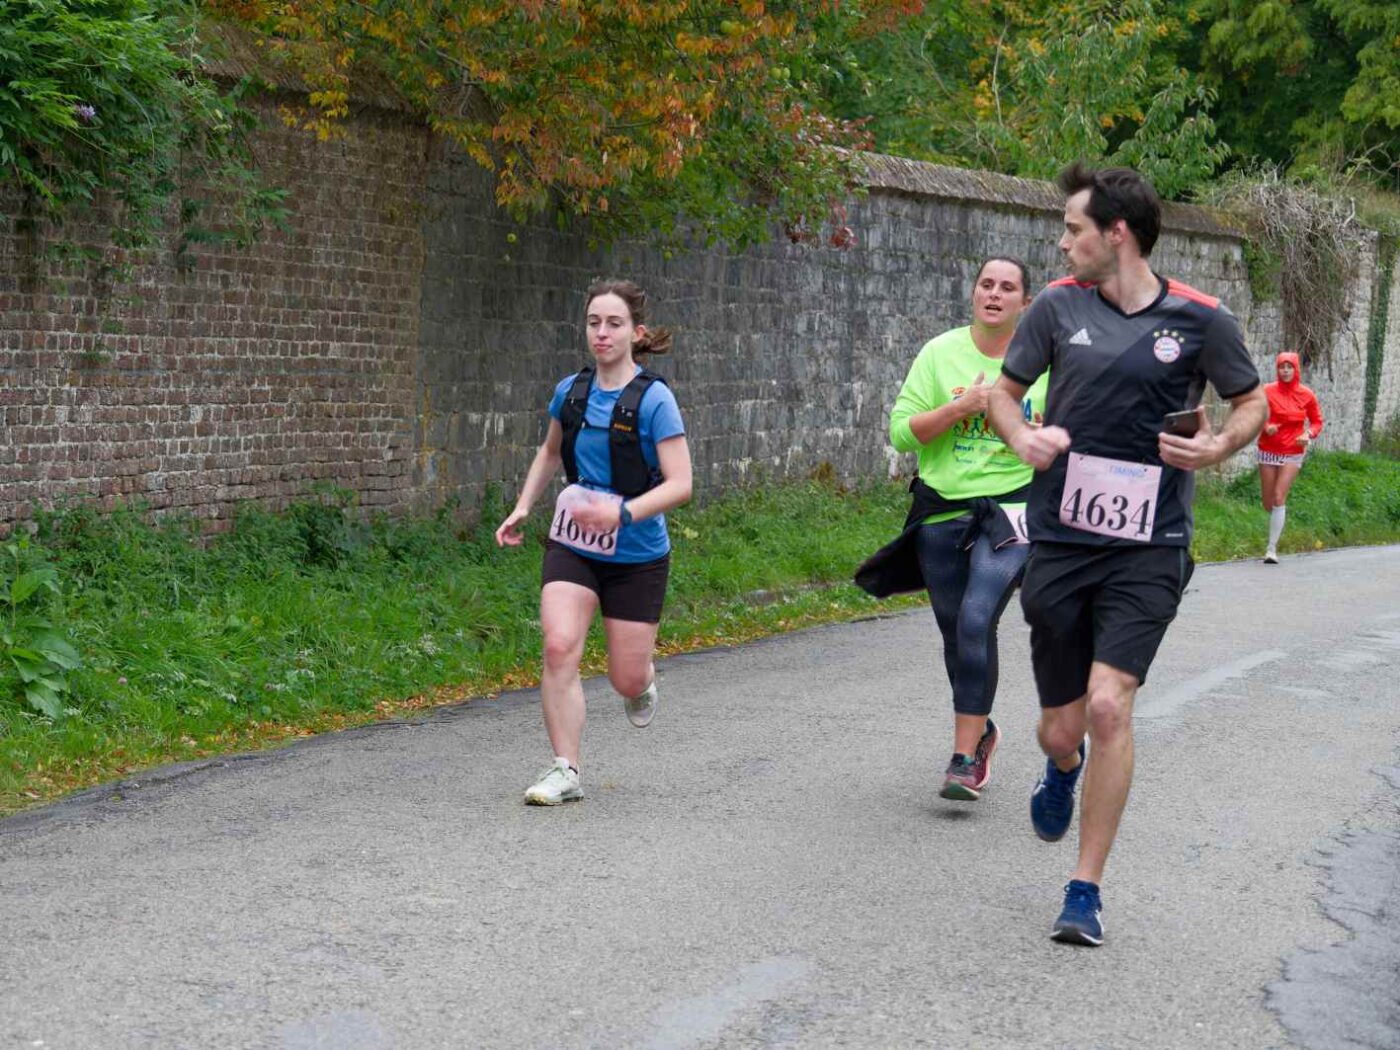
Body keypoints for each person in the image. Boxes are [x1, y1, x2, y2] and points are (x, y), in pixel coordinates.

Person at [985, 163, 1268, 945]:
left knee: (1110, 705)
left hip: (1151, 543)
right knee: (1060, 728)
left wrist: (1217, 448)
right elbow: (1003, 394)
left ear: (1117, 234)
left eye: (1074, 228)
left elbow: (1251, 401)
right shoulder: (1056, 306)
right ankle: (1062, 766)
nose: (1062, 242)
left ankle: (1085, 890)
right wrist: (1022, 437)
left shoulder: (1202, 319)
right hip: (1063, 539)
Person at [495, 278, 693, 805]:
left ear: (636, 333)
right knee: (558, 645)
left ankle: (641, 680)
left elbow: (681, 483)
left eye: (614, 324)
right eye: (593, 323)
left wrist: (621, 512)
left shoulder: (655, 401)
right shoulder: (571, 392)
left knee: (625, 679)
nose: (601, 333)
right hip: (574, 543)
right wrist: (523, 506)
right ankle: (565, 769)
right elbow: (550, 452)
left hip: (637, 554)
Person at [884, 258, 1049, 801]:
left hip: (1012, 511)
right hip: (941, 510)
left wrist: (1042, 431)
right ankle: (982, 729)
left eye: (1008, 287)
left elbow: (1075, 432)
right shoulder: (940, 353)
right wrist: (962, 407)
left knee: (978, 618)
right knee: (956, 631)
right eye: (986, 285)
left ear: (1026, 303)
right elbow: (902, 434)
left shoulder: (1046, 362)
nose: (994, 294)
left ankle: (962, 759)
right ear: (974, 293)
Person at [1258, 351, 1323, 564]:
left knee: (1279, 496)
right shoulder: (1267, 391)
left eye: (1289, 367)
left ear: (1296, 370)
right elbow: (1256, 413)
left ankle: (1271, 549)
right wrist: (1266, 427)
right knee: (1268, 502)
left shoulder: (1307, 394)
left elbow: (1317, 422)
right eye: (1281, 367)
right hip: (1269, 449)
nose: (1285, 371)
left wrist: (1308, 434)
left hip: (1293, 451)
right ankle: (1276, 518)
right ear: (1277, 369)